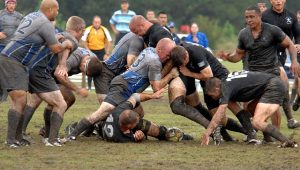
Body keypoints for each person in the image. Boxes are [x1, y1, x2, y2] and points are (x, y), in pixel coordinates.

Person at [65, 38, 177, 141]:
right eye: (167, 55)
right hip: (122, 87)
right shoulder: (155, 61)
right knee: (102, 112)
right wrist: (171, 75)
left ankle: (138, 132)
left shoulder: (150, 50)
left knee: (139, 113)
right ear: (160, 49)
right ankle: (73, 134)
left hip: (126, 86)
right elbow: (156, 88)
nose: (168, 58)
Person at [0, 0, 74, 148]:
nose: (57, 13)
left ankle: (18, 138)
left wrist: (54, 37)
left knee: (21, 99)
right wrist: (66, 44)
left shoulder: (32, 16)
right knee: (19, 100)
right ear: (51, 9)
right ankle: (10, 140)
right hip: (13, 60)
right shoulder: (45, 23)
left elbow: (39, 38)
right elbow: (55, 49)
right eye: (57, 10)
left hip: (11, 57)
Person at [219, 6, 300, 129]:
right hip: (253, 74)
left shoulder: (273, 30)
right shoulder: (243, 34)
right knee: (249, 107)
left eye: (252, 17)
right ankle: (260, 132)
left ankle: (276, 130)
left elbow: (290, 44)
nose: (249, 20)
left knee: (272, 103)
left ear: (259, 17)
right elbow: (238, 55)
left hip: (271, 72)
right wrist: (228, 57)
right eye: (247, 17)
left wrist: (294, 61)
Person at [169, 44, 255, 143]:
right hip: (207, 84)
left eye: (185, 62)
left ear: (186, 55)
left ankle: (251, 133)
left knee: (232, 105)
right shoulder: (178, 55)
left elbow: (208, 75)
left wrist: (189, 73)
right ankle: (230, 136)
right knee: (217, 117)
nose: (184, 65)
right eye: (181, 64)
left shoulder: (196, 53)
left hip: (220, 78)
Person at [23, 16, 85, 147]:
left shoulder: (60, 34)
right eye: (83, 31)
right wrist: (63, 66)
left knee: (34, 100)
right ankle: (51, 139)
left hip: (31, 67)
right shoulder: (73, 40)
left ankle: (21, 134)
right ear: (80, 29)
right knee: (61, 104)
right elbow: (67, 47)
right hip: (40, 72)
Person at [201, 71, 297, 148]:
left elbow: (220, 113)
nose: (213, 98)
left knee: (257, 122)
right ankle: (267, 138)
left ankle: (287, 142)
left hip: (273, 86)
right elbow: (237, 109)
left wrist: (208, 132)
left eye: (212, 95)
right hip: (272, 84)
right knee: (250, 108)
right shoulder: (227, 83)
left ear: (217, 89)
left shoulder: (225, 87)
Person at [262, 0, 300, 116]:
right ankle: (288, 117)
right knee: (282, 83)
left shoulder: (291, 17)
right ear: (270, 1)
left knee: (286, 83)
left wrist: (298, 43)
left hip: (282, 54)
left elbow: (297, 34)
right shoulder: (264, 16)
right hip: (266, 53)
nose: (278, 1)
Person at [82, 15, 112, 90]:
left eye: (98, 22)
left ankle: (100, 87)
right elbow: (84, 40)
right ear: (93, 22)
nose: (97, 23)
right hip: (91, 51)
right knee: (89, 68)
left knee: (102, 69)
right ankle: (89, 87)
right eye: (95, 22)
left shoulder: (104, 30)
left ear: (100, 23)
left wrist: (107, 53)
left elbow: (109, 41)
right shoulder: (88, 29)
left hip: (101, 51)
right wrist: (87, 50)